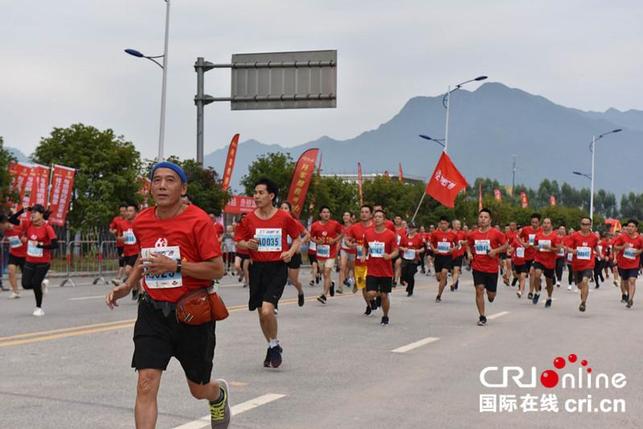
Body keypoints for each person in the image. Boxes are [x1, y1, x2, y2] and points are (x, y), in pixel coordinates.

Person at [106, 162, 230, 429]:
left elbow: (218, 269)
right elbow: (144, 259)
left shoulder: (199, 221)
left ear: (183, 188)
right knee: (146, 382)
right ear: (150, 187)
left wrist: (175, 266)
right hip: (152, 312)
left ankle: (217, 395)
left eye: (170, 180)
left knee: (198, 389)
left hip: (192, 312)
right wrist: (128, 285)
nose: (162, 185)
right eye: (157, 180)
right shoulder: (142, 221)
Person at [235, 178, 303, 368]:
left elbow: (297, 238)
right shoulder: (249, 219)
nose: (256, 196)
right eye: (255, 192)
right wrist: (246, 244)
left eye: (260, 193)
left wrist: (289, 252)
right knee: (262, 314)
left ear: (271, 196)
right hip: (258, 269)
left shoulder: (283, 217)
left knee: (267, 310)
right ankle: (272, 344)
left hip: (277, 268)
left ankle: (273, 344)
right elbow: (239, 240)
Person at [466, 209, 507, 326]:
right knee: (479, 290)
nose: (483, 219)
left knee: (491, 295)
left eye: (485, 217)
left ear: (490, 220)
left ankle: (491, 296)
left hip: (492, 268)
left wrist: (495, 251)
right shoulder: (473, 234)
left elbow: (506, 245)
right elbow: (468, 244)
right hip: (478, 267)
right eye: (481, 217)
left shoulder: (496, 233)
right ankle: (482, 316)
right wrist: (469, 253)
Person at [362, 209, 398, 325]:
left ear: (384, 220)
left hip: (385, 271)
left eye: (380, 217)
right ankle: (379, 294)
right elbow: (365, 246)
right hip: (372, 269)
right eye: (375, 217)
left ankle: (385, 316)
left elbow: (396, 251)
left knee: (384, 296)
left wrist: (389, 256)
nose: (377, 219)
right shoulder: (368, 233)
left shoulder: (390, 235)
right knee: (370, 293)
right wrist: (363, 254)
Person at [20, 205, 57, 316]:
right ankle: (42, 285)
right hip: (30, 260)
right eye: (32, 212)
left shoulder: (47, 228)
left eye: (35, 212)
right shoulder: (28, 224)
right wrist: (23, 238)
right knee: (25, 284)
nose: (32, 214)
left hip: (43, 262)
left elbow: (55, 245)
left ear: (41, 215)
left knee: (35, 283)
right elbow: (12, 221)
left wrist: (40, 246)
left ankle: (39, 308)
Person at [345, 204, 376, 314]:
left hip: (373, 262)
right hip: (359, 262)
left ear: (371, 214)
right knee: (362, 286)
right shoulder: (355, 227)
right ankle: (369, 304)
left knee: (369, 284)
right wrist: (350, 244)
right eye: (362, 212)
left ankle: (374, 299)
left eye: (366, 212)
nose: (364, 214)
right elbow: (347, 240)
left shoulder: (376, 227)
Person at [565, 217, 600, 312]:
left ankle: (583, 302)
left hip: (589, 264)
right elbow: (566, 248)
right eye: (583, 224)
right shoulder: (574, 236)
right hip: (576, 265)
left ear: (590, 225)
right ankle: (583, 298)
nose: (585, 226)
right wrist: (573, 251)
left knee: (585, 281)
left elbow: (595, 246)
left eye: (587, 224)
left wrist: (600, 255)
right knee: (580, 286)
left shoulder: (593, 237)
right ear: (580, 225)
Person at [310, 207, 343, 304]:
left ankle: (324, 295)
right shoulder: (315, 225)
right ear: (320, 214)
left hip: (331, 253)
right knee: (322, 272)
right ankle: (331, 284)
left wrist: (334, 240)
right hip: (320, 254)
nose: (326, 214)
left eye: (328, 212)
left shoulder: (335, 224)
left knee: (326, 272)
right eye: (324, 212)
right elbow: (311, 237)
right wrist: (316, 241)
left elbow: (342, 233)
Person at [279, 201, 308, 307]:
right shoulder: (277, 222)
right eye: (281, 208)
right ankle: (274, 303)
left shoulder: (295, 222)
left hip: (294, 254)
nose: (283, 210)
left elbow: (307, 235)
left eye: (286, 208)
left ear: (290, 211)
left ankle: (300, 292)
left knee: (293, 280)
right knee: (278, 280)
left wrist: (299, 244)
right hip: (281, 254)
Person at [613, 219, 643, 308]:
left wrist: (638, 252)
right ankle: (629, 293)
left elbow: (642, 248)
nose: (630, 228)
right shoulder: (622, 237)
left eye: (632, 226)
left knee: (632, 280)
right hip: (623, 263)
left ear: (636, 228)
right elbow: (615, 247)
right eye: (629, 226)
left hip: (634, 263)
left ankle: (630, 299)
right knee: (625, 282)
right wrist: (623, 247)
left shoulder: (640, 239)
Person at [531, 218, 561, 308]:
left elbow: (558, 249)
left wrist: (550, 248)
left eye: (548, 223)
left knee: (549, 282)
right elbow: (534, 245)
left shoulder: (554, 236)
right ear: (542, 224)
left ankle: (549, 297)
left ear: (551, 225)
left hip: (550, 261)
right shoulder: (538, 235)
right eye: (544, 223)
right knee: (536, 274)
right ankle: (537, 292)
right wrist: (536, 247)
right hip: (539, 259)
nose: (546, 225)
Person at [430, 216, 456, 302]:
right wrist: (434, 249)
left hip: (447, 257)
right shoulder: (435, 233)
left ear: (448, 224)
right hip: (438, 257)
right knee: (439, 278)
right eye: (441, 223)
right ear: (439, 224)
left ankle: (438, 295)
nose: (443, 225)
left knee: (444, 273)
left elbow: (458, 245)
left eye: (445, 223)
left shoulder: (453, 234)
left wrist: (453, 249)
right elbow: (431, 243)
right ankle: (443, 281)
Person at [518, 213, 542, 300]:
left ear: (539, 222)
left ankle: (531, 292)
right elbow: (518, 237)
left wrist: (540, 246)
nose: (534, 224)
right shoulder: (525, 229)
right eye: (532, 222)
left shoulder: (542, 230)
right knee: (523, 274)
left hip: (537, 256)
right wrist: (523, 243)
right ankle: (520, 290)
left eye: (536, 222)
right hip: (526, 256)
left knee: (532, 272)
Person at [6, 208, 27, 298]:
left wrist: (24, 238)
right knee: (11, 271)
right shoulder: (5, 227)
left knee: (28, 279)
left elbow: (29, 234)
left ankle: (41, 283)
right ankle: (15, 292)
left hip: (24, 254)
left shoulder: (21, 224)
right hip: (13, 253)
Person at [399, 222, 424, 297]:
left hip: (414, 259)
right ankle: (408, 283)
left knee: (410, 274)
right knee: (404, 274)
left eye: (412, 228)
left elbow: (423, 248)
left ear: (415, 229)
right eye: (409, 228)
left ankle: (410, 290)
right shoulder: (404, 237)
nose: (410, 229)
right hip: (405, 258)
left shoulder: (419, 237)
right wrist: (404, 248)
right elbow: (399, 246)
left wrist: (418, 251)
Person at [338, 211, 356, 294]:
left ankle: (356, 283)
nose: (345, 217)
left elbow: (357, 238)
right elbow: (339, 240)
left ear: (351, 217)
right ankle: (340, 287)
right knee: (342, 267)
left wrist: (351, 242)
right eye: (344, 215)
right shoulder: (340, 227)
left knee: (353, 268)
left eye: (347, 215)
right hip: (343, 250)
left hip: (353, 250)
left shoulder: (354, 227)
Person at [109, 204, 128, 281]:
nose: (122, 213)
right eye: (121, 211)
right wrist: (113, 231)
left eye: (124, 211)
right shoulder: (116, 219)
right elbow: (111, 228)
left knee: (125, 259)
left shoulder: (130, 220)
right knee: (122, 259)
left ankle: (119, 277)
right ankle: (127, 276)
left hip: (129, 244)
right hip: (120, 243)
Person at [508, 232, 528, 298]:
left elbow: (528, 246)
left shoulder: (527, 240)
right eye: (519, 232)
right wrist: (509, 251)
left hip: (525, 262)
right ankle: (521, 287)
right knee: (519, 277)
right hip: (517, 262)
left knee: (523, 276)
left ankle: (520, 290)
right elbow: (511, 250)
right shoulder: (515, 241)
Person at [234, 214, 251, 288]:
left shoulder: (250, 227)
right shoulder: (238, 226)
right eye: (242, 217)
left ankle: (247, 281)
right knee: (237, 266)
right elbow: (236, 236)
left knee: (245, 268)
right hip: (239, 251)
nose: (244, 219)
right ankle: (241, 274)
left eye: (245, 218)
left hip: (247, 252)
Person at [450, 219, 466, 290]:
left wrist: (463, 241)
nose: (459, 226)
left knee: (456, 269)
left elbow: (468, 241)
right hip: (450, 255)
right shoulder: (449, 233)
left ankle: (453, 284)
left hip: (459, 254)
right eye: (457, 224)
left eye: (459, 224)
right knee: (452, 271)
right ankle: (455, 281)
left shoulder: (463, 233)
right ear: (453, 225)